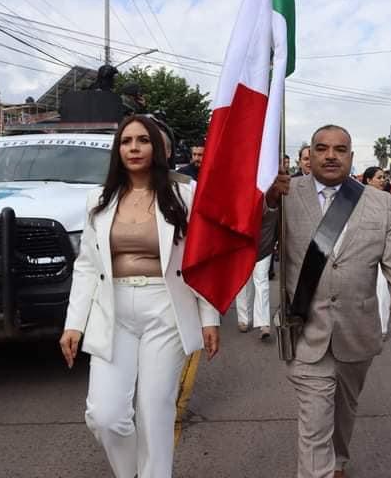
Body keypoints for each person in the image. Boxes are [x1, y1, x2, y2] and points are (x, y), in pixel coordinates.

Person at [58, 115, 220, 478]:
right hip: (112, 309)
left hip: (165, 307)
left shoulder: (184, 196)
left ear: (158, 149)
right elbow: (87, 265)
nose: (134, 147)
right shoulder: (97, 199)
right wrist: (74, 324)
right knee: (106, 415)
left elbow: (201, 261)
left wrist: (209, 318)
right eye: (126, 141)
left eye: (143, 140)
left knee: (155, 408)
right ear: (118, 149)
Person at [266, 124, 391, 478]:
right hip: (305, 329)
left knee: (342, 411)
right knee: (314, 420)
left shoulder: (380, 203)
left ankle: (338, 461)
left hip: (357, 332)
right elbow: (258, 248)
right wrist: (269, 204)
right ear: (311, 155)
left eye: (339, 149)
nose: (330, 155)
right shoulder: (286, 193)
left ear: (351, 156)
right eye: (321, 148)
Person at [361, 166, 391, 340]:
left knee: (382, 285)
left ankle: (382, 327)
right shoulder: (358, 198)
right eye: (379, 177)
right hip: (362, 249)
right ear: (368, 180)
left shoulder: (387, 199)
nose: (383, 180)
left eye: (383, 177)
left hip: (383, 249)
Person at [235, 253, 272, 339]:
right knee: (244, 279)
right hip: (243, 244)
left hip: (264, 244)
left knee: (261, 279)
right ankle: (244, 319)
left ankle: (263, 323)